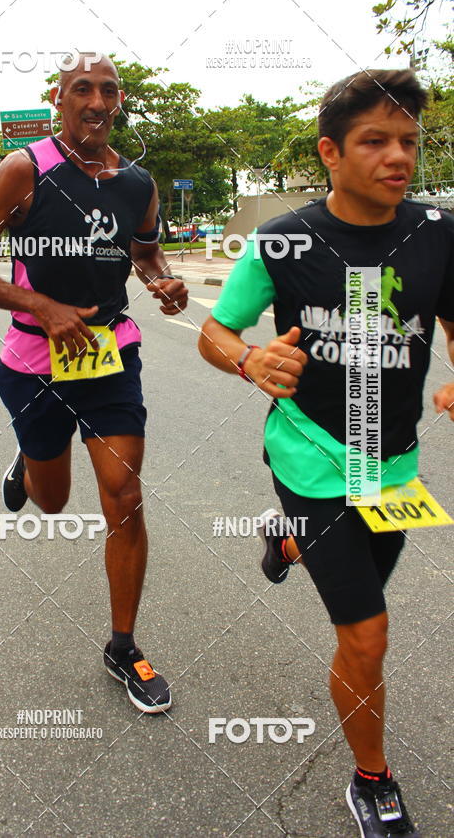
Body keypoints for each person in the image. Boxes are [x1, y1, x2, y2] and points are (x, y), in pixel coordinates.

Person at [198, 69, 454, 837]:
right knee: (366, 632)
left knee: (367, 590)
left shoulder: (439, 231)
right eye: (375, 140)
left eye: (408, 140)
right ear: (330, 153)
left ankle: (284, 543)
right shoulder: (283, 240)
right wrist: (247, 361)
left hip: (391, 461)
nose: (397, 156)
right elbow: (217, 330)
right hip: (309, 455)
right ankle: (372, 779)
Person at [0, 53, 188, 714]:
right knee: (52, 504)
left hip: (110, 356)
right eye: (82, 88)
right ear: (57, 98)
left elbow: (143, 251)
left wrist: (160, 279)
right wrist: (41, 308)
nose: (97, 101)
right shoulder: (24, 170)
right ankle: (29, 462)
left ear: (119, 101)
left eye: (108, 90)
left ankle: (122, 646)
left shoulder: (138, 182)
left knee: (124, 495)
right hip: (34, 365)